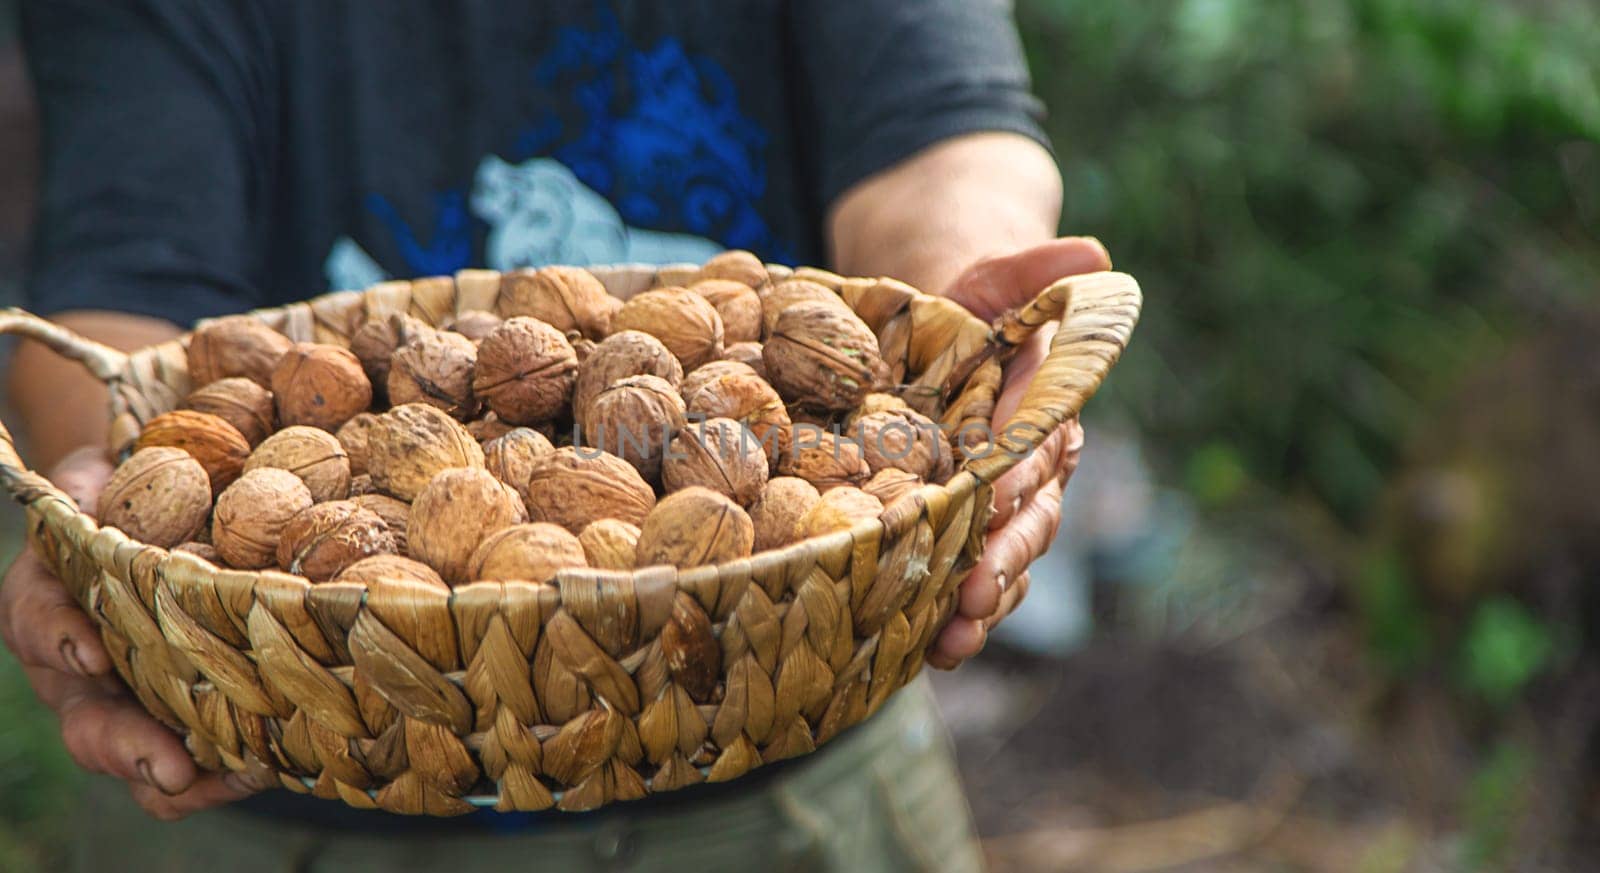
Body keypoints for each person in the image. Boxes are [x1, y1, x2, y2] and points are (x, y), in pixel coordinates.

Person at [1, 1, 1107, 869]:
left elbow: (938, 133)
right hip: (293, 785)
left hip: (790, 745)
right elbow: (117, 282)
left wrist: (959, 324)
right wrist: (102, 509)